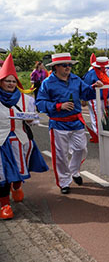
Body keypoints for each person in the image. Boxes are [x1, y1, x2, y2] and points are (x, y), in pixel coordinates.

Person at [36, 52, 103, 194]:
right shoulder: (47, 83)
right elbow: (40, 103)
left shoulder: (75, 79)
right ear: (56, 67)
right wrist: (59, 106)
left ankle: (74, 171)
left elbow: (86, 93)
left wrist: (94, 87)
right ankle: (64, 182)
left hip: (76, 122)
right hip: (58, 124)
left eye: (69, 65)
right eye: (64, 65)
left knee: (81, 149)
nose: (68, 67)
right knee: (61, 155)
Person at [0, 54, 49, 218]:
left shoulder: (25, 99)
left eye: (13, 81)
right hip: (1, 142)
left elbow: (33, 120)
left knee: (20, 171)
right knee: (2, 174)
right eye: (7, 81)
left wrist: (30, 119)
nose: (11, 84)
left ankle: (17, 186)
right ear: (1, 81)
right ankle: (4, 205)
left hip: (21, 141)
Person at [83, 56, 109, 142]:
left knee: (102, 116)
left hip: (103, 98)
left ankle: (101, 134)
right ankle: (98, 136)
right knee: (96, 117)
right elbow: (86, 87)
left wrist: (107, 97)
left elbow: (106, 87)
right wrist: (84, 99)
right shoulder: (91, 74)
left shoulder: (104, 73)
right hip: (93, 98)